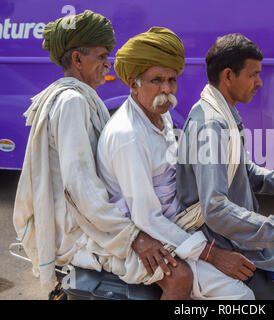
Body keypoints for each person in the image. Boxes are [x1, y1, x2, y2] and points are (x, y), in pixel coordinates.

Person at [12, 11, 191, 300]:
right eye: (101, 56)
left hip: (95, 220)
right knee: (179, 275)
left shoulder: (82, 96)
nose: (108, 64)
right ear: (77, 60)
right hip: (79, 233)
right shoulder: (71, 102)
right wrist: (134, 238)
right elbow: (80, 187)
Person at [96, 27, 255, 300]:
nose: (167, 89)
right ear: (133, 84)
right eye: (156, 80)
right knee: (240, 297)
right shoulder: (128, 136)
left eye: (172, 80)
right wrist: (212, 254)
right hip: (146, 237)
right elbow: (146, 218)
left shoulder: (160, 114)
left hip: (177, 225)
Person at [176, 33, 274, 299]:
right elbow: (216, 209)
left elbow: (241, 170)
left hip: (237, 239)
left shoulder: (223, 113)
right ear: (228, 76)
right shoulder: (211, 125)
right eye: (253, 74)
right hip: (224, 244)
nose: (259, 82)